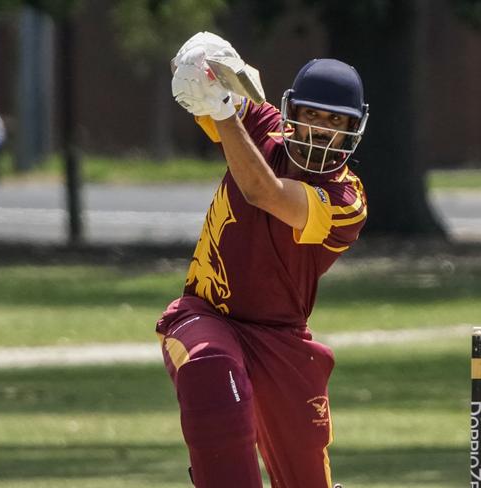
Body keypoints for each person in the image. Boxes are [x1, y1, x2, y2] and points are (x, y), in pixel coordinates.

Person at [156, 31, 369, 488]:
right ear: (291, 114)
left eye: (336, 121)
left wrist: (224, 111)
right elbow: (196, 79)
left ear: (354, 130)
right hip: (208, 314)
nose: (322, 130)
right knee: (210, 369)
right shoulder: (260, 125)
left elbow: (264, 192)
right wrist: (200, 60)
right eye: (312, 115)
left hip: (282, 340)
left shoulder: (345, 199)